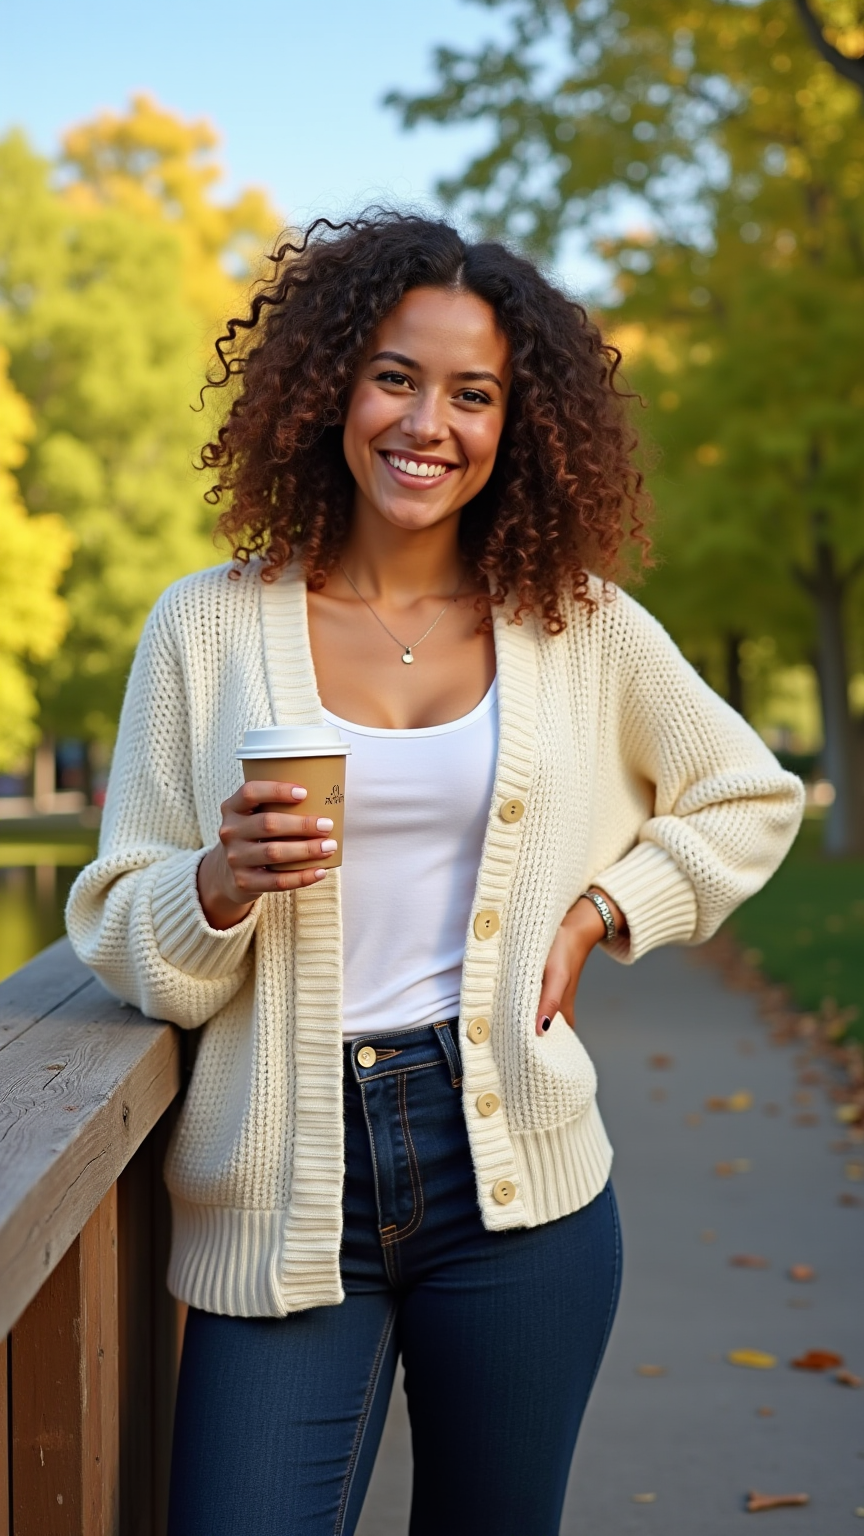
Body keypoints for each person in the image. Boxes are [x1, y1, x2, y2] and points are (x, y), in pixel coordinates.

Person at [66, 212, 804, 1536]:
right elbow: (126, 932)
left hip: (518, 1178)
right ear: (332, 387)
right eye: (398, 376)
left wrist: (601, 910)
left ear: (518, 425)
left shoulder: (575, 626)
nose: (431, 423)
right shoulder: (205, 626)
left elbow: (750, 792)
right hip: (284, 1192)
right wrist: (220, 881)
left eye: (476, 394)